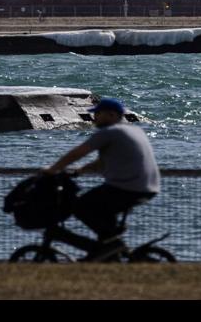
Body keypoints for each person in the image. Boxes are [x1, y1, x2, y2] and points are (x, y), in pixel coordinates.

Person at [42, 98, 160, 259]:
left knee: (80, 206)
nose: (94, 117)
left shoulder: (110, 132)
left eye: (98, 113)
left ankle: (110, 244)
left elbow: (78, 152)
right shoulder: (134, 130)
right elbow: (102, 162)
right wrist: (79, 171)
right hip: (148, 187)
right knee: (102, 211)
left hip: (127, 187)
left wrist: (52, 169)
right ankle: (109, 253)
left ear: (112, 115)